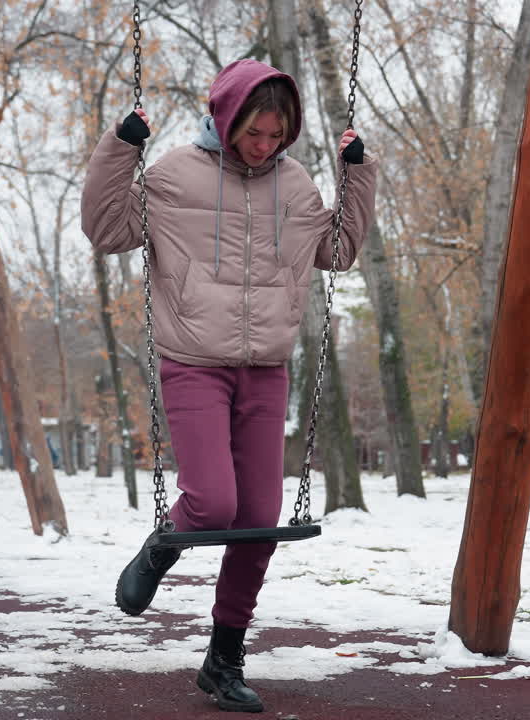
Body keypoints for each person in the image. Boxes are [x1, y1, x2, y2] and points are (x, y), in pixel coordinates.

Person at [80, 58, 377, 713]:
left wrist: (358, 176)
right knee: (211, 504)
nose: (265, 146)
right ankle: (161, 545)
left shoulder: (296, 187)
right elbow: (107, 231)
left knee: (258, 521)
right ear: (226, 118)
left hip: (267, 372)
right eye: (254, 132)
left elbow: (338, 251)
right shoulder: (173, 177)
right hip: (193, 363)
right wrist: (121, 148)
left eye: (276, 135)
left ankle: (224, 658)